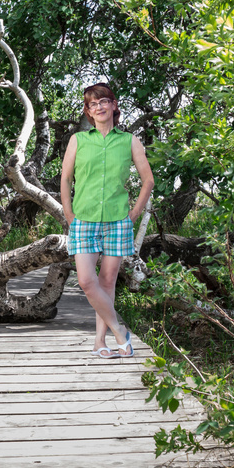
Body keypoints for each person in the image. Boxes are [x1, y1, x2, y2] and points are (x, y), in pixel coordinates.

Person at [60, 84, 154, 358]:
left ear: (113, 105)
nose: (99, 107)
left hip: (117, 221)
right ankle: (119, 331)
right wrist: (69, 215)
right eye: (92, 104)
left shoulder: (129, 141)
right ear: (88, 112)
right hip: (84, 220)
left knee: (108, 281)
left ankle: (100, 342)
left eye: (103, 101)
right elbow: (65, 179)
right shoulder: (78, 140)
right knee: (87, 282)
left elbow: (148, 180)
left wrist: (133, 215)